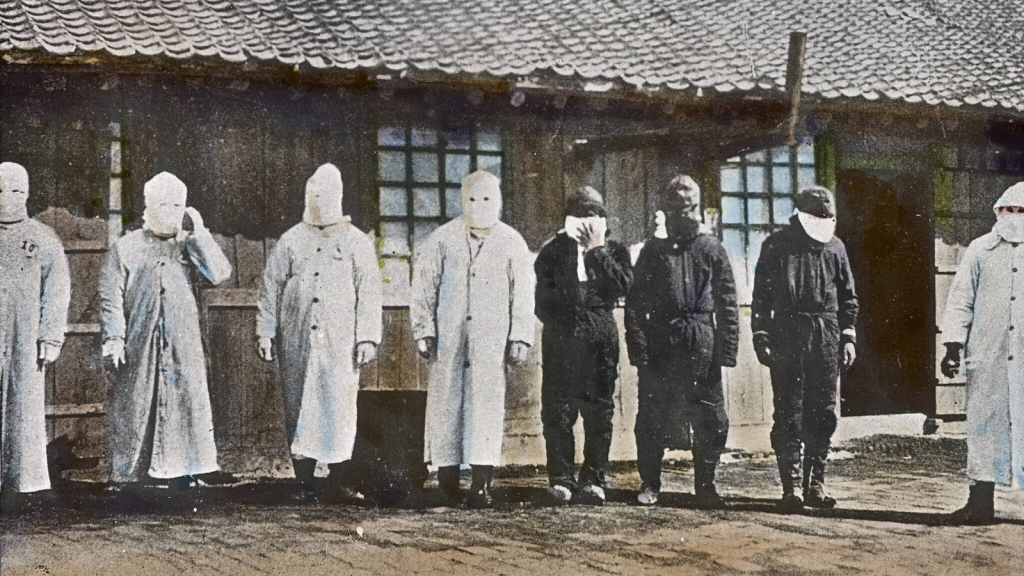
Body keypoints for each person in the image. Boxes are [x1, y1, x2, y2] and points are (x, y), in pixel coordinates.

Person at [256, 163, 382, 503]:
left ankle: (339, 479)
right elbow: (271, 287)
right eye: (314, 195)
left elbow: (369, 291)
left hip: (340, 342)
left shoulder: (357, 242)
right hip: (297, 338)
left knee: (339, 406)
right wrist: (266, 332)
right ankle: (305, 482)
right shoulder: (291, 240)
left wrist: (367, 337)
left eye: (326, 195)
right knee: (298, 405)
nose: (319, 201)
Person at [100, 172, 232, 489]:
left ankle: (185, 470)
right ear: (148, 205)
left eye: (177, 204)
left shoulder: (190, 247)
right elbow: (110, 295)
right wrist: (115, 337)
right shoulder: (125, 248)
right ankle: (129, 474)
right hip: (140, 340)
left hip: (183, 342)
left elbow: (220, 273)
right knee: (136, 401)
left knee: (186, 401)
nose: (170, 210)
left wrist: (199, 232)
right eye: (162, 203)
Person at [411, 170, 535, 508]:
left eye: (487, 198)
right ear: (462, 200)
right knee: (446, 404)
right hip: (449, 338)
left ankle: (480, 485)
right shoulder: (442, 239)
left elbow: (523, 294)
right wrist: (424, 329)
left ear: (499, 200)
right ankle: (447, 481)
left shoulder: (512, 243)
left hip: (490, 340)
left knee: (485, 407)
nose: (479, 205)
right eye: (472, 198)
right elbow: (424, 288)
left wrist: (520, 336)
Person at [625, 175, 739, 509]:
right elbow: (635, 304)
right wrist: (640, 349)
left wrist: (727, 351)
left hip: (702, 342)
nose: (684, 217)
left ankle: (706, 484)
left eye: (689, 209)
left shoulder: (712, 250)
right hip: (662, 342)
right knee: (652, 416)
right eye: (677, 210)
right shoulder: (652, 252)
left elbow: (728, 302)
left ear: (698, 209)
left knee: (711, 417)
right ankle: (651, 481)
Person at [751, 185, 858, 512]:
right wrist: (762, 335)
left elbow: (848, 296)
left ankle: (816, 484)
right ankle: (791, 486)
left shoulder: (836, 248)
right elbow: (761, 298)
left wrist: (848, 335)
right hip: (788, 335)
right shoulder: (776, 246)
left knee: (823, 413)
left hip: (826, 335)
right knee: (789, 413)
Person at [534, 186, 633, 505]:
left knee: (599, 412)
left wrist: (596, 250)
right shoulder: (552, 251)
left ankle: (593, 479)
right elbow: (541, 304)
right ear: (569, 218)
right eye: (580, 214)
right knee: (558, 411)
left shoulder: (615, 250)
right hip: (561, 339)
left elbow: (622, 287)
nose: (587, 220)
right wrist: (566, 317)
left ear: (602, 218)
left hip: (599, 339)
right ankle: (561, 478)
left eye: (593, 214)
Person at [940, 182, 1024, 524]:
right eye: (1008, 210)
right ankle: (980, 502)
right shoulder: (979, 250)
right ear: (997, 211)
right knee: (982, 424)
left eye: (1021, 211)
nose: (1014, 217)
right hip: (987, 355)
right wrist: (952, 346)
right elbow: (961, 300)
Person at [0, 162, 71, 495]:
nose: (6, 198)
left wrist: (50, 336)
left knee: (24, 405)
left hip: (25, 338)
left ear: (26, 194)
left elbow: (57, 290)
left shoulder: (43, 239)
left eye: (14, 191)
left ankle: (22, 478)